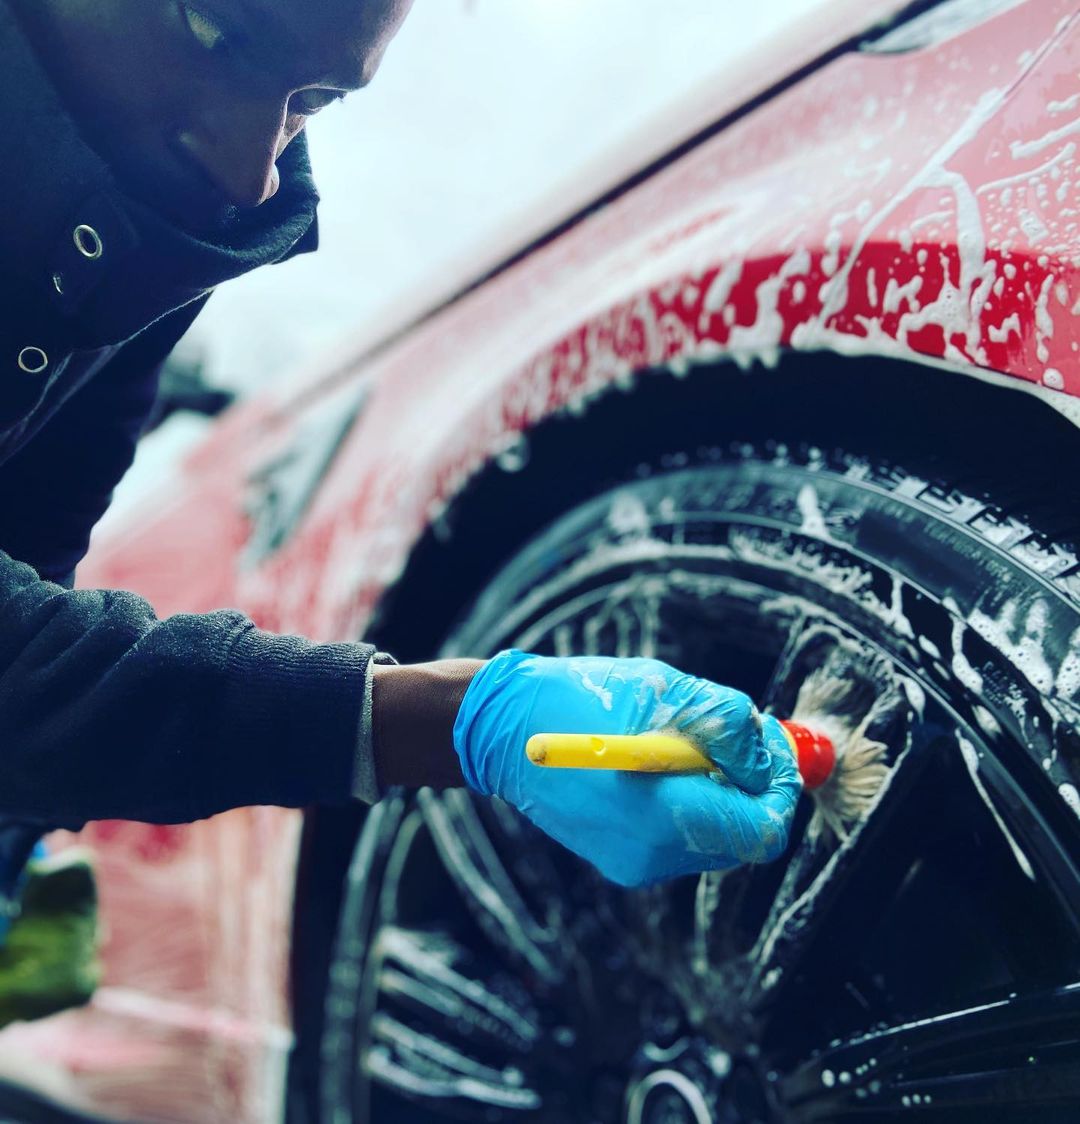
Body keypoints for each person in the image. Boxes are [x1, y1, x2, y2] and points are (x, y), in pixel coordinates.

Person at [0, 0, 801, 1024]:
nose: (250, 169)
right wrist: (454, 720)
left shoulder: (161, 212)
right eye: (219, 37)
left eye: (316, 101)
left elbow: (27, 564)